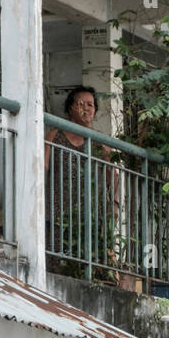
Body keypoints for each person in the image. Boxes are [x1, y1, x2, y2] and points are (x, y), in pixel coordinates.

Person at [44, 85, 117, 281]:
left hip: (90, 215)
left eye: (91, 104)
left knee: (88, 263)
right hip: (59, 212)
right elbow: (40, 168)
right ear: (70, 108)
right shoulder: (54, 136)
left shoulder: (100, 143)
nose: (87, 108)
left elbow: (113, 176)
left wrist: (115, 205)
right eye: (81, 103)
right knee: (56, 266)